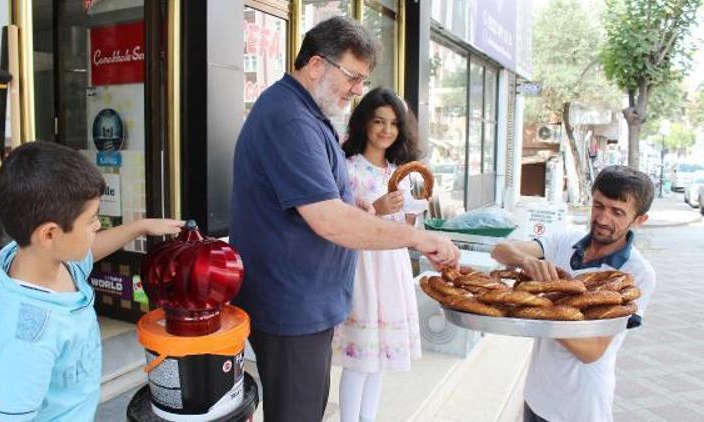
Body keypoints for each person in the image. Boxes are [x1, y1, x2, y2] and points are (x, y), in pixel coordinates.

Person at [230, 16, 459, 422]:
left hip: (306, 301)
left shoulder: (306, 114)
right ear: (317, 65)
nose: (357, 90)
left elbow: (333, 201)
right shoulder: (289, 118)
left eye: (362, 80)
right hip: (291, 304)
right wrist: (417, 239)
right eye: (353, 77)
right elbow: (329, 219)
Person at [0, 141, 184, 421]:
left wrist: (141, 226)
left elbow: (87, 251)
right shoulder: (26, 332)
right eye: (91, 219)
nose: (98, 225)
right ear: (50, 235)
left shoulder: (51, 260)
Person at [490, 165, 656, 422]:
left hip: (580, 406)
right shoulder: (565, 241)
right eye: (599, 205)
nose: (602, 219)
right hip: (537, 393)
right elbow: (500, 250)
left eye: (617, 212)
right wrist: (526, 261)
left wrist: (542, 304)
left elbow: (591, 350)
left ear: (639, 220)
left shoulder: (636, 273)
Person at [333, 87, 428, 422]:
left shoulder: (399, 174)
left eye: (393, 123)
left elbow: (405, 225)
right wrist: (376, 208)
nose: (386, 130)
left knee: (380, 361)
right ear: (365, 123)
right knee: (359, 360)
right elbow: (340, 223)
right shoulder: (348, 169)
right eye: (379, 121)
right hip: (362, 266)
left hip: (392, 266)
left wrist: (414, 211)